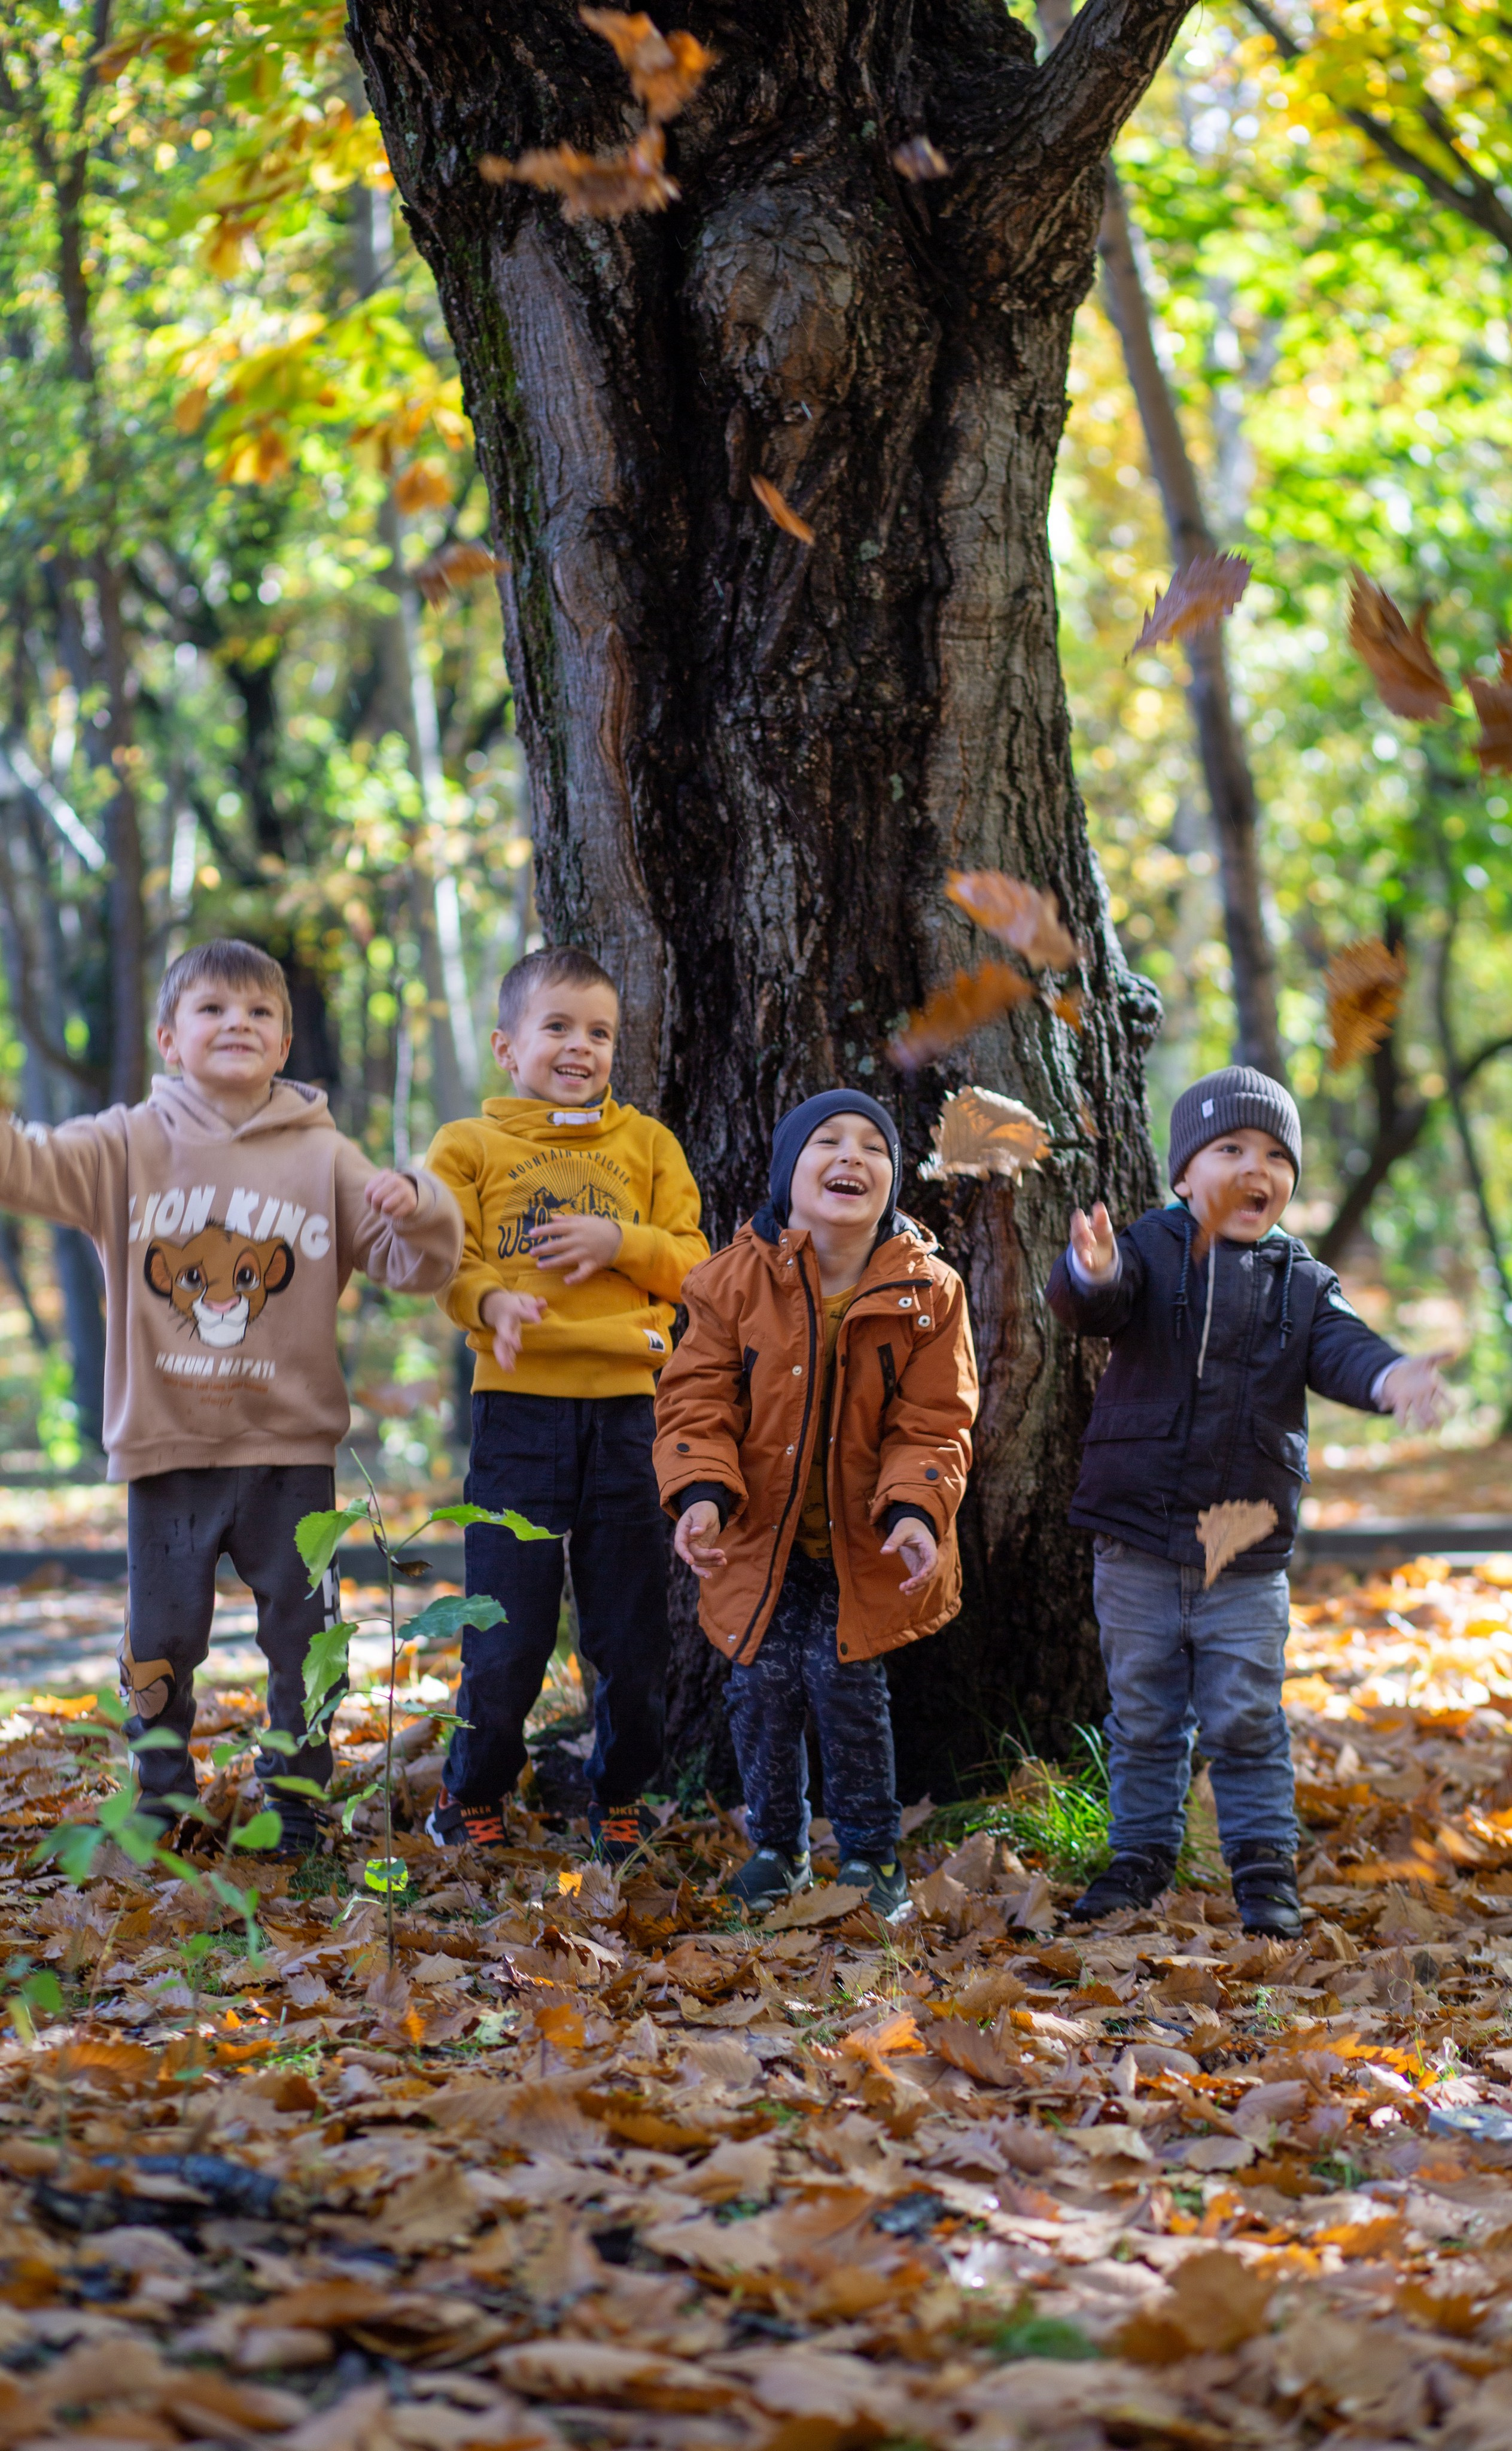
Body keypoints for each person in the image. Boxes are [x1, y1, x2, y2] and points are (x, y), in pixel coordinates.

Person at [0, 939, 462, 1853]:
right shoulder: (123, 1145)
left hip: (291, 1452)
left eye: (258, 1013)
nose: (237, 1025)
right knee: (162, 1641)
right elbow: (25, 1166)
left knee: (304, 1639)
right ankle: (163, 1800)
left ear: (285, 1042)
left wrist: (422, 1202)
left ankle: (297, 1803)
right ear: (170, 1037)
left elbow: (418, 1266)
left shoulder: (324, 1155)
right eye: (212, 1010)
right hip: (169, 1450)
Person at [1047, 1065, 1450, 1939]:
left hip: (1245, 1556)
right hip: (1138, 1543)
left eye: (1274, 1155)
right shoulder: (1149, 1252)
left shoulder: (1301, 1283)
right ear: (1185, 1175)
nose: (1253, 1167)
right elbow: (1096, 1302)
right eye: (1229, 1148)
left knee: (1246, 1718)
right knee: (1145, 1714)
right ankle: (1140, 1855)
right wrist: (1089, 1270)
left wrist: (1391, 1376)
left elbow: (1344, 1350)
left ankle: (1264, 1867)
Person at [653, 1091, 979, 1922]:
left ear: (893, 1180)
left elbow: (936, 1420)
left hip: (864, 1543)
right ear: (785, 1174)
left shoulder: (928, 1293)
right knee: (759, 1685)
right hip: (755, 1539)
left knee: (846, 1685)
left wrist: (916, 1512)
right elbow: (697, 1400)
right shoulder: (730, 1283)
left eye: (873, 1146)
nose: (851, 1157)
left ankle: (872, 1854)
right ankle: (778, 1847)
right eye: (827, 1142)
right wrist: (700, 1495)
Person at [423, 945, 708, 1863]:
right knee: (506, 1630)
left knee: (631, 1634)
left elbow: (700, 1266)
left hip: (630, 1412)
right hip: (518, 1416)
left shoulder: (648, 1147)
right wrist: (492, 1303)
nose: (580, 1046)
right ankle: (473, 1794)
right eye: (558, 1027)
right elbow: (445, 1260)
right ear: (508, 1047)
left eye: (600, 1032)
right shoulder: (468, 1146)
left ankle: (617, 1796)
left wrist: (620, 1239)